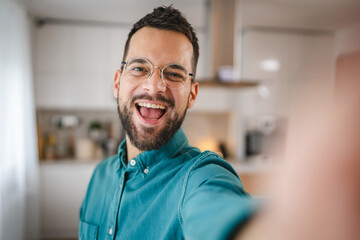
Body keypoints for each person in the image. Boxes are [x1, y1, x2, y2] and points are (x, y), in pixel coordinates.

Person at [79, 6, 254, 240]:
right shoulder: (100, 175)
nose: (154, 87)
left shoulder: (201, 177)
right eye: (139, 68)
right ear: (117, 83)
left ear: (192, 94)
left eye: (174, 74)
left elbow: (224, 215)